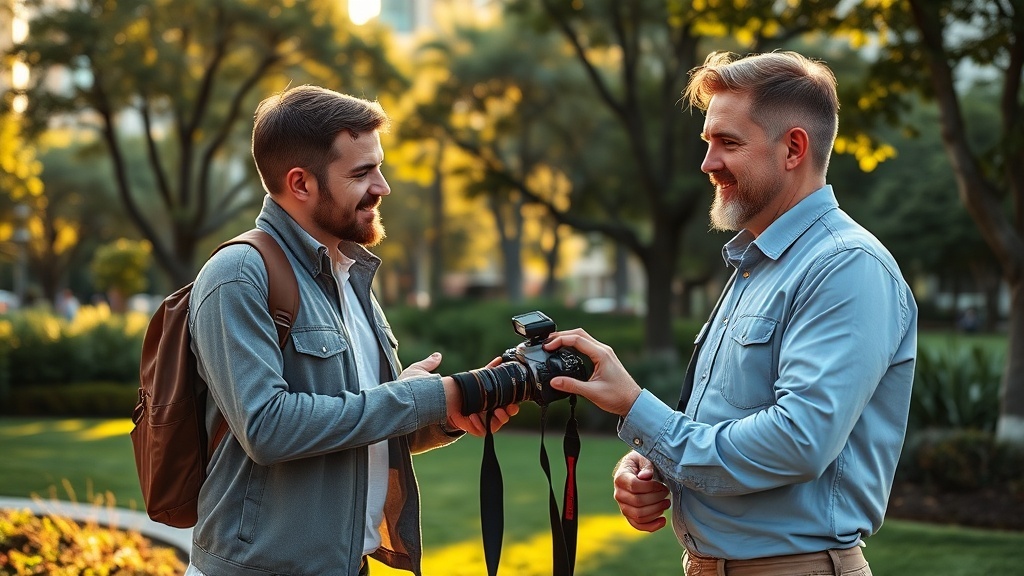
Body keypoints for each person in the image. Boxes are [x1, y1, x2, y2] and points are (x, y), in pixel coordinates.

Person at [545, 51, 918, 575]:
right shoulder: (756, 263)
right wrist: (650, 466)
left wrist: (636, 407)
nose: (708, 163)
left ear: (793, 148)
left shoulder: (845, 266)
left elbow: (797, 441)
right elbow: (728, 421)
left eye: (729, 142)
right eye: (708, 142)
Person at [184, 85, 516, 576]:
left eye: (379, 167)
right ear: (301, 183)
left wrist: (447, 412)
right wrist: (422, 397)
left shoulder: (348, 277)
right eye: (362, 173)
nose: (383, 187)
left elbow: (360, 428)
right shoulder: (239, 274)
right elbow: (267, 428)